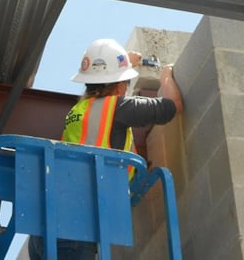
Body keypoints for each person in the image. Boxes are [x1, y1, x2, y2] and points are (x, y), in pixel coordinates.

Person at [28, 38, 183, 260]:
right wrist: (166, 75)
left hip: (45, 225)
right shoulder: (119, 108)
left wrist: (123, 64)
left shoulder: (78, 110)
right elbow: (174, 105)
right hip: (75, 227)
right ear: (120, 84)